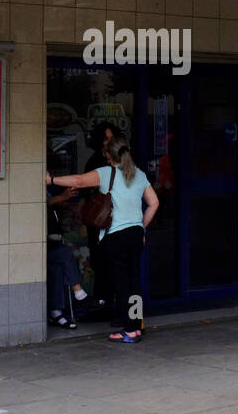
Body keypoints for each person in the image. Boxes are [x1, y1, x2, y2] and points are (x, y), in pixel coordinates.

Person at [47, 136, 157, 343]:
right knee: (134, 282)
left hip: (116, 236)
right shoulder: (139, 174)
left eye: (105, 152)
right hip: (135, 234)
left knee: (122, 284)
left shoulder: (108, 173)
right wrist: (141, 226)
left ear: (108, 155)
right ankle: (137, 326)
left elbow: (78, 181)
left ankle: (129, 330)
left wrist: (51, 180)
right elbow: (154, 203)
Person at [82, 122, 117, 320]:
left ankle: (108, 305)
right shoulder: (97, 163)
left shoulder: (121, 165)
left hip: (111, 222)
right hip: (102, 221)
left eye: (112, 139)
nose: (109, 143)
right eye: (106, 139)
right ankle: (106, 305)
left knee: (108, 263)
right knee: (102, 262)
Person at [46, 184, 88, 329]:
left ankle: (55, 312)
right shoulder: (34, 187)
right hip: (38, 245)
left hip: (52, 241)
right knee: (65, 253)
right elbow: (44, 202)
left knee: (57, 268)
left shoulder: (49, 190)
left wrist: (66, 202)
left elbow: (55, 203)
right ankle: (77, 289)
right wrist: (63, 196)